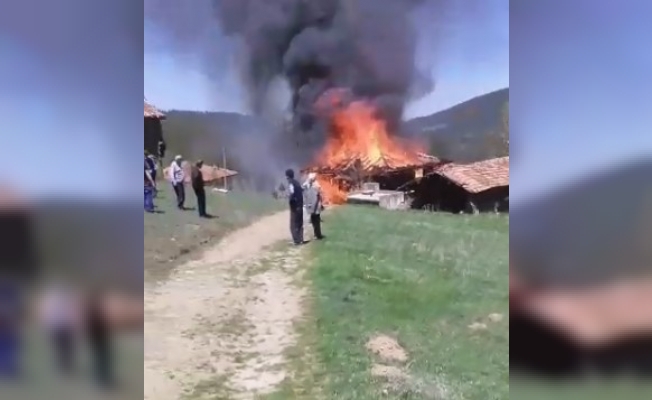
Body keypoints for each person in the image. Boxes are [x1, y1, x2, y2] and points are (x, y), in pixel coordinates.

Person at [84, 288, 113, 388]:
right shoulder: (94, 311)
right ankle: (102, 380)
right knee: (101, 359)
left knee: (101, 359)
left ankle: (103, 378)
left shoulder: (91, 310)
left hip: (98, 338)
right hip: (98, 338)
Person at [302, 172, 324, 240]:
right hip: (310, 205)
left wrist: (321, 204)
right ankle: (316, 234)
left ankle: (318, 235)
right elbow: (303, 190)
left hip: (315, 205)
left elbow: (319, 195)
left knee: (316, 220)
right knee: (314, 220)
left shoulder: (316, 185)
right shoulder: (307, 185)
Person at [285, 169, 304, 245]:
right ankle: (301, 239)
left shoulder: (291, 183)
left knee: (293, 224)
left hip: (295, 207)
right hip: (300, 205)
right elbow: (301, 191)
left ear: (287, 176)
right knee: (300, 223)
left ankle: (296, 240)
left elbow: (292, 194)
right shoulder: (297, 182)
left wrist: (291, 201)